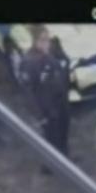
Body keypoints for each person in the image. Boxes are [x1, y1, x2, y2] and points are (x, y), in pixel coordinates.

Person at [19, 25, 71, 169]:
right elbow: (29, 92)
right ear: (35, 41)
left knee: (63, 131)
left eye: (48, 39)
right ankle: (50, 167)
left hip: (60, 101)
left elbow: (64, 67)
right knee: (51, 138)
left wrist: (60, 53)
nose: (47, 43)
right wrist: (39, 114)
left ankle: (66, 160)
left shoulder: (52, 53)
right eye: (43, 40)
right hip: (47, 108)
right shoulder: (29, 62)